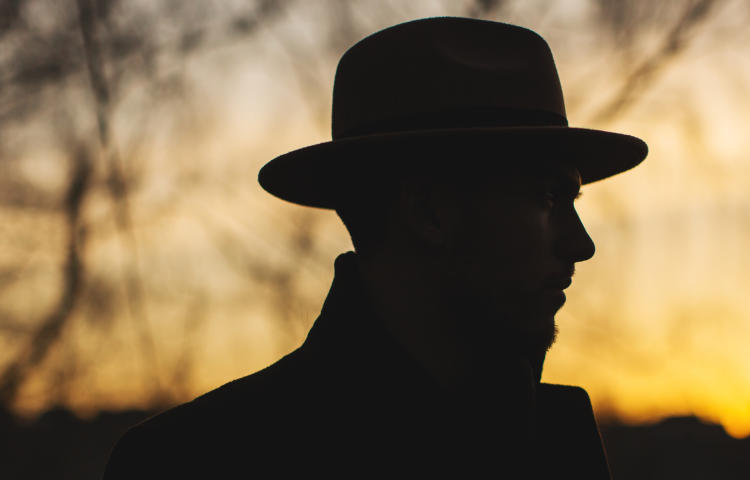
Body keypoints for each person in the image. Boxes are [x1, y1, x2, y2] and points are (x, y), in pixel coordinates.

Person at [104, 16, 647, 479]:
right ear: (430, 212)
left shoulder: (557, 441)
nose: (582, 245)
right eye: (548, 198)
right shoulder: (196, 463)